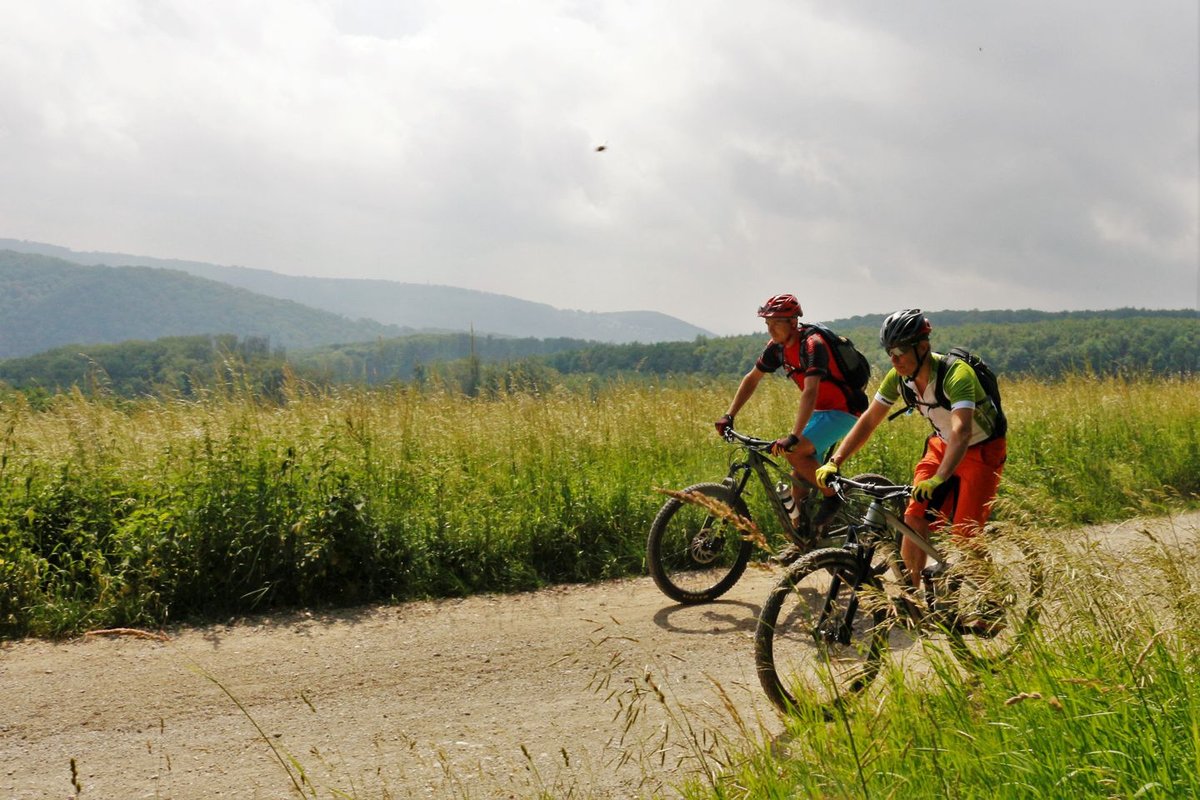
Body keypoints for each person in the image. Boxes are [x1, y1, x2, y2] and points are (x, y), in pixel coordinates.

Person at [815, 309, 1007, 592]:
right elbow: (868, 420)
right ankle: (911, 598)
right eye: (889, 352)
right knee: (913, 516)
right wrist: (835, 461)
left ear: (923, 347)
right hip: (942, 445)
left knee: (965, 536)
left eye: (900, 351)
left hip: (981, 450)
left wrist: (939, 479)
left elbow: (963, 431)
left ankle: (991, 602)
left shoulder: (957, 375)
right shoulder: (898, 377)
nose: (894, 359)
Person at [715, 294, 863, 556]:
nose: (770, 330)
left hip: (844, 410)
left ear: (793, 322)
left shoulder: (813, 344)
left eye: (776, 324)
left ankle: (834, 495)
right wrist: (729, 414)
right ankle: (804, 544)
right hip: (820, 412)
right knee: (797, 489)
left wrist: (794, 436)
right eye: (767, 324)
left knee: (795, 452)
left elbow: (810, 391)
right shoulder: (777, 347)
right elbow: (752, 378)